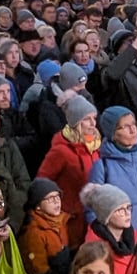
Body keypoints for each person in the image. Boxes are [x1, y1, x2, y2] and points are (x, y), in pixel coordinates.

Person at [36, 97, 101, 250]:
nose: (93, 123)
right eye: (87, 119)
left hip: (93, 217)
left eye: (94, 118)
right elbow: (42, 181)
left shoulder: (96, 146)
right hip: (71, 221)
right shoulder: (61, 151)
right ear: (76, 122)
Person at [20, 179, 70, 274]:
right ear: (38, 206)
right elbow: (39, 271)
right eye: (50, 198)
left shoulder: (61, 222)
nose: (56, 201)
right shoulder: (33, 231)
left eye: (58, 196)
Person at [80, 183, 137, 274]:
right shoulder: (94, 248)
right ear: (106, 215)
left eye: (128, 207)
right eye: (120, 210)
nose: (127, 213)